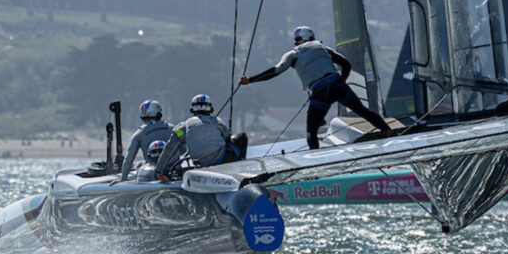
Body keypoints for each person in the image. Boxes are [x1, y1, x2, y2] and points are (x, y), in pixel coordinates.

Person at [239, 25, 391, 150]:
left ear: (297, 40)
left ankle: (314, 157)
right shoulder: (322, 47)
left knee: (311, 131)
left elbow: (276, 70)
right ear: (311, 37)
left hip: (320, 92)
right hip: (338, 85)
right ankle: (388, 132)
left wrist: (250, 80)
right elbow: (346, 64)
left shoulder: (293, 54)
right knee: (364, 112)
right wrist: (342, 82)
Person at [155, 94, 248, 179]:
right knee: (241, 137)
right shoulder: (217, 122)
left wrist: (159, 171)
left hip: (200, 164)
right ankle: (241, 173)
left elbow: (169, 149)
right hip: (220, 161)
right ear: (210, 108)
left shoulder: (182, 127)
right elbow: (227, 136)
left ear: (192, 109)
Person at [120, 99, 173, 181]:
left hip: (152, 175)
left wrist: (122, 179)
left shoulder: (138, 134)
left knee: (138, 165)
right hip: (175, 171)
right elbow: (184, 149)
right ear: (159, 113)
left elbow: (129, 159)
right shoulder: (174, 129)